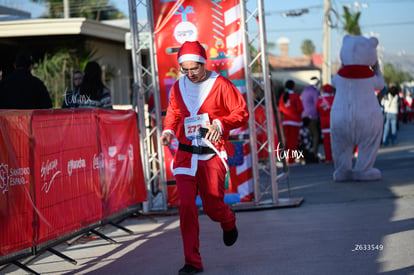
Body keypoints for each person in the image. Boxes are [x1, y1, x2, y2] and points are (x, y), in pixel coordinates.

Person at [159, 41, 249, 275]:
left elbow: (241, 113)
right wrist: (169, 131)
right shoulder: (178, 87)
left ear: (203, 63)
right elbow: (174, 113)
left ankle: (228, 221)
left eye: (194, 69)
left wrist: (221, 123)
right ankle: (192, 261)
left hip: (211, 156)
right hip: (185, 157)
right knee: (186, 206)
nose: (190, 74)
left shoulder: (221, 85)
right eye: (185, 69)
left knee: (212, 207)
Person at [278, 79, 304, 164]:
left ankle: (287, 158)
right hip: (295, 121)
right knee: (293, 141)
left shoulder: (283, 96)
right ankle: (291, 159)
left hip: (286, 121)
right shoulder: (295, 96)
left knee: (287, 140)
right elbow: (300, 108)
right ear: (293, 86)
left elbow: (281, 108)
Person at [300, 76, 321, 155]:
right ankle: (314, 152)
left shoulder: (304, 91)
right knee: (315, 134)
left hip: (304, 115)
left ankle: (307, 151)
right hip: (313, 115)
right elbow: (317, 103)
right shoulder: (315, 91)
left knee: (307, 134)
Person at [316, 84, 335, 163]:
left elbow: (317, 109)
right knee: (336, 141)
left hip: (324, 122)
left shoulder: (319, 100)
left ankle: (328, 158)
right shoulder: (334, 98)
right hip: (333, 121)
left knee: (326, 141)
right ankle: (337, 157)